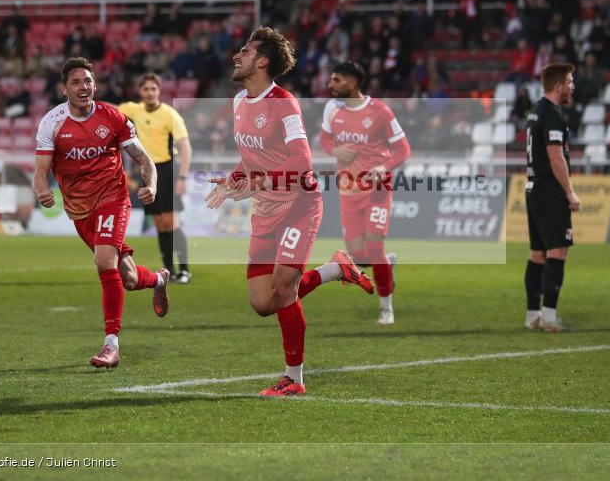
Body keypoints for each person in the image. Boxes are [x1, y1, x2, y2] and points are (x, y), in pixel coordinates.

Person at [205, 27, 373, 397]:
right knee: (262, 302)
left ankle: (293, 379)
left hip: (299, 203)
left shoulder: (284, 103)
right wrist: (232, 180)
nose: (237, 55)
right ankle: (335, 269)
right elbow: (249, 157)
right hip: (266, 209)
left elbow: (302, 160)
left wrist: (261, 182)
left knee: (283, 289)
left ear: (262, 61)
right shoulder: (238, 102)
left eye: (245, 51)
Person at [34, 57, 171, 369]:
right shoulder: (51, 123)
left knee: (103, 262)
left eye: (88, 81)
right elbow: (40, 172)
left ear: (95, 85)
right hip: (79, 209)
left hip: (112, 198)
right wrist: (42, 189)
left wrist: (152, 184)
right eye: (76, 82)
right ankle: (159, 280)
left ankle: (111, 344)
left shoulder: (113, 118)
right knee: (131, 278)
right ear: (63, 88)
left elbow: (144, 159)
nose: (84, 87)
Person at [320, 61, 411, 324]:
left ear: (351, 82)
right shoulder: (331, 109)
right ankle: (386, 265)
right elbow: (325, 140)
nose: (330, 85)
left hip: (377, 190)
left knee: (374, 246)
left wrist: (384, 166)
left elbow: (403, 150)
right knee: (360, 257)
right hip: (348, 190)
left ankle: (386, 307)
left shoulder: (380, 112)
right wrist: (335, 151)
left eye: (336, 80)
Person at [119, 73, 193, 284]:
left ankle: (185, 270)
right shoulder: (134, 109)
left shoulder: (170, 115)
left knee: (171, 222)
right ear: (140, 92)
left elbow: (185, 147)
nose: (150, 93)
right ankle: (169, 269)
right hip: (147, 171)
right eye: (146, 89)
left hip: (168, 170)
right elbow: (112, 108)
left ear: (159, 91)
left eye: (153, 89)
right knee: (160, 223)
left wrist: (183, 177)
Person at [523, 63, 580, 333]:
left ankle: (533, 314)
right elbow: (556, 156)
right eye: (569, 82)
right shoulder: (554, 114)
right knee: (558, 251)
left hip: (533, 189)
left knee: (537, 254)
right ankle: (549, 316)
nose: (572, 87)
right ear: (558, 86)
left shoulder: (536, 111)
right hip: (549, 191)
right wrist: (569, 192)